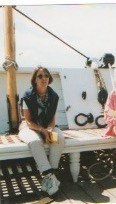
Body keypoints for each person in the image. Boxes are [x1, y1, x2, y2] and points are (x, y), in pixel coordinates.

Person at [18, 66, 65, 196]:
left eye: (46, 76)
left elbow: (53, 118)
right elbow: (28, 121)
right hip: (30, 127)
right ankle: (49, 175)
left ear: (49, 79)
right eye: (40, 76)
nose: (44, 78)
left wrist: (50, 129)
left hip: (46, 126)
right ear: (35, 80)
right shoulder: (28, 96)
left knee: (58, 138)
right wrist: (42, 130)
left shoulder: (53, 96)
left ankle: (52, 173)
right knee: (34, 141)